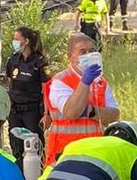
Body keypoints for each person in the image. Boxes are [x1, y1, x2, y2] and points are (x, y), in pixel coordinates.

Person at [43, 33, 119, 165]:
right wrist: (85, 82)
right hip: (64, 156)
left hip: (94, 155)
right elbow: (72, 113)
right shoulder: (60, 81)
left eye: (92, 51)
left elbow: (115, 114)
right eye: (82, 52)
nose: (88, 55)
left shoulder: (100, 82)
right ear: (70, 57)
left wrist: (92, 112)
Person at [4, 26, 50, 169]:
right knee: (16, 145)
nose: (15, 42)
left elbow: (46, 89)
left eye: (17, 39)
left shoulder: (40, 62)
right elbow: (10, 83)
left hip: (32, 110)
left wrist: (47, 114)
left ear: (26, 41)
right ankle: (19, 175)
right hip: (15, 110)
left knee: (34, 146)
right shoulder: (13, 60)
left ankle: (37, 177)